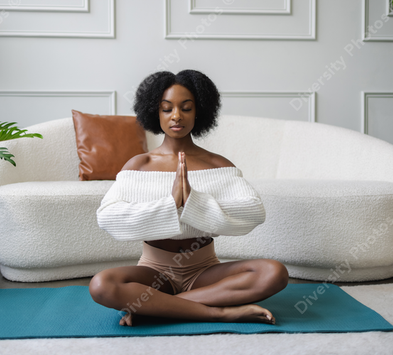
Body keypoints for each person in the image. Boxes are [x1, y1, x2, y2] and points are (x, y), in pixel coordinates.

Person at [89, 69, 288, 326]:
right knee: (101, 285)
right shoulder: (139, 165)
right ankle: (217, 312)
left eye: (186, 108)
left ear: (199, 112)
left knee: (273, 272)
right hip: (154, 273)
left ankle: (158, 307)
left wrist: (195, 201)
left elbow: (253, 211)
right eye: (166, 108)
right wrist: (170, 205)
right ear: (155, 112)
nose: (176, 116)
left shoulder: (217, 164)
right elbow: (108, 217)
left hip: (205, 271)